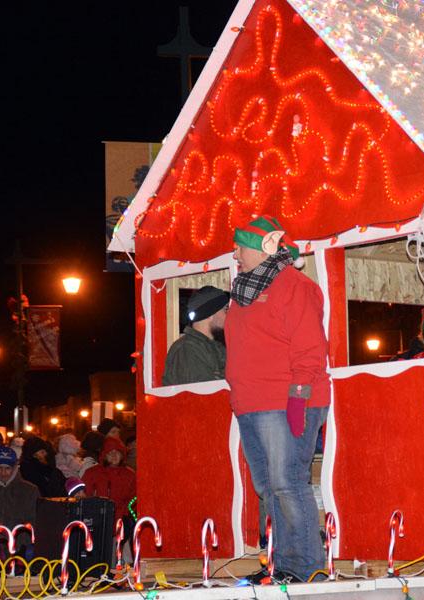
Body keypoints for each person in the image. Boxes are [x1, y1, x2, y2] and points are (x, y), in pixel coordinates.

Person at [225, 215, 330, 583]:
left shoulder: (294, 286)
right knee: (268, 488)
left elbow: (310, 347)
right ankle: (284, 565)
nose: (235, 253)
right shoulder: (242, 292)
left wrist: (299, 397)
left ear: (261, 247)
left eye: (240, 246)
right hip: (251, 404)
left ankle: (307, 569)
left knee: (287, 483)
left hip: (283, 400)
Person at [0, 447, 39, 552]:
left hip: (18, 548)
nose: (3, 473)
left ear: (14, 468)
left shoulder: (29, 491)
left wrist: (18, 542)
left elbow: (34, 520)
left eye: (7, 468)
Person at [161, 286, 230, 385]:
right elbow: (204, 396)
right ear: (210, 313)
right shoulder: (188, 349)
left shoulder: (217, 347)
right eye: (225, 309)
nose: (229, 314)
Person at [82, 436, 135, 523]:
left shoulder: (130, 475)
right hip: (97, 519)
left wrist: (125, 512)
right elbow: (84, 496)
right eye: (110, 452)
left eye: (117, 452)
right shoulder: (92, 473)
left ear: (122, 455)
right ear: (104, 455)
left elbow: (134, 498)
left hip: (122, 521)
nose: (114, 455)